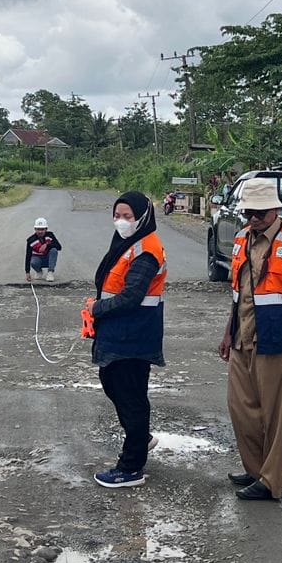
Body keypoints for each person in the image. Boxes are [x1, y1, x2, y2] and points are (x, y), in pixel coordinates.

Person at [218, 178, 282, 502]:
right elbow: (239, 293)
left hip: (273, 341)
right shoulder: (242, 238)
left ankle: (271, 481)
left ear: (275, 209)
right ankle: (255, 467)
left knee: (276, 416)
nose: (254, 218)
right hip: (242, 339)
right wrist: (227, 331)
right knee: (240, 408)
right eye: (249, 212)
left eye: (260, 212)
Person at [86, 191, 167, 489]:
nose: (121, 221)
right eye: (117, 215)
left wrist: (98, 308)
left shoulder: (146, 250)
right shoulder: (127, 244)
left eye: (127, 216)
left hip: (134, 335)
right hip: (118, 332)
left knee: (131, 397)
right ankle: (141, 437)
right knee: (111, 381)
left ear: (142, 218)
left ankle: (131, 467)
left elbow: (133, 296)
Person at [23, 217, 63, 282]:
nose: (40, 231)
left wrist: (47, 245)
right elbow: (28, 256)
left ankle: (50, 273)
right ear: (35, 229)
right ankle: (39, 271)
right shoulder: (30, 240)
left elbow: (59, 247)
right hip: (38, 260)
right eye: (38, 229)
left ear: (46, 229)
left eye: (42, 229)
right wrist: (27, 272)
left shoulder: (50, 235)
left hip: (48, 260)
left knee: (54, 250)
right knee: (33, 262)